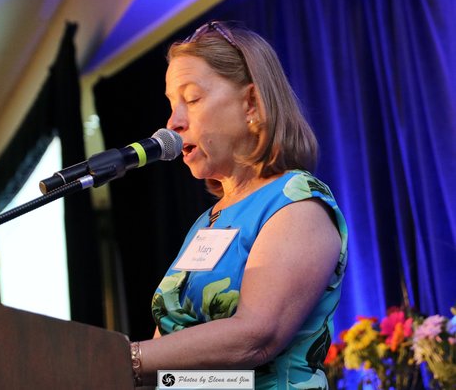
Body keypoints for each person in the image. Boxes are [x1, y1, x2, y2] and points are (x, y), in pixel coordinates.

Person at [129, 20, 348, 390]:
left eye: (192, 98)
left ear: (251, 103)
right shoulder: (206, 222)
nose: (172, 122)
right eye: (171, 104)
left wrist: (128, 358)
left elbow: (256, 337)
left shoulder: (297, 204)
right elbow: (170, 364)